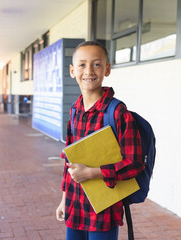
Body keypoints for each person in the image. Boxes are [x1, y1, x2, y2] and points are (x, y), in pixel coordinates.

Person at [55, 40, 144, 240]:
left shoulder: (117, 112)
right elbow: (69, 162)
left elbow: (135, 163)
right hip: (75, 204)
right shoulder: (75, 110)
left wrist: (92, 173)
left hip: (104, 208)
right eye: (82, 65)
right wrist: (64, 200)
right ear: (72, 70)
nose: (89, 70)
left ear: (107, 69)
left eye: (96, 64)